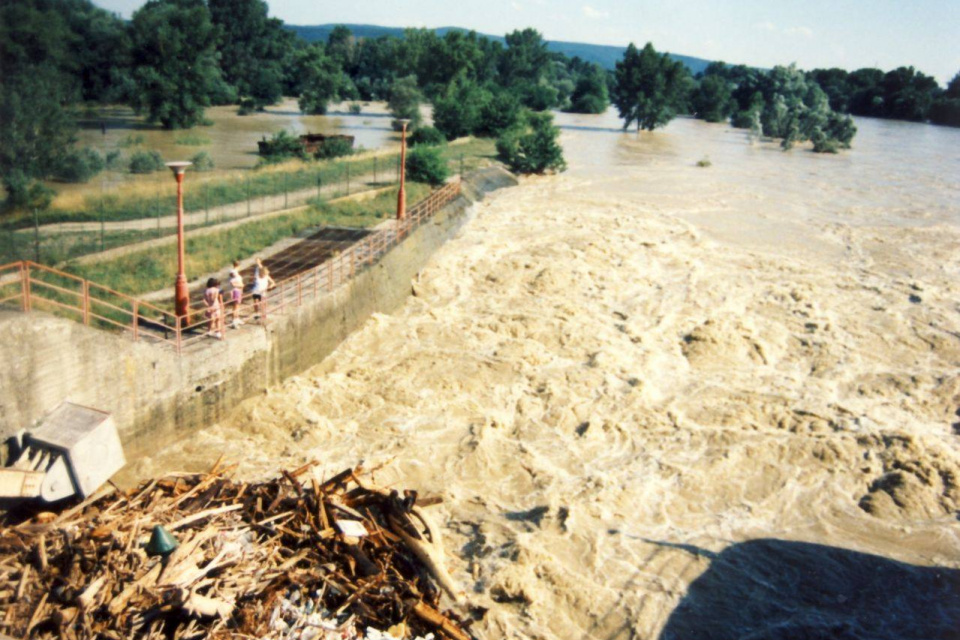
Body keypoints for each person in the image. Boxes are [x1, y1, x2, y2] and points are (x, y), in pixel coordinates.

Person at [228, 261, 244, 328]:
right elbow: (232, 283)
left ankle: (237, 318)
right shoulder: (233, 272)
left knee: (238, 306)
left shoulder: (236, 272)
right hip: (236, 291)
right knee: (235, 306)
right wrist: (241, 285)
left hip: (239, 290)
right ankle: (234, 320)